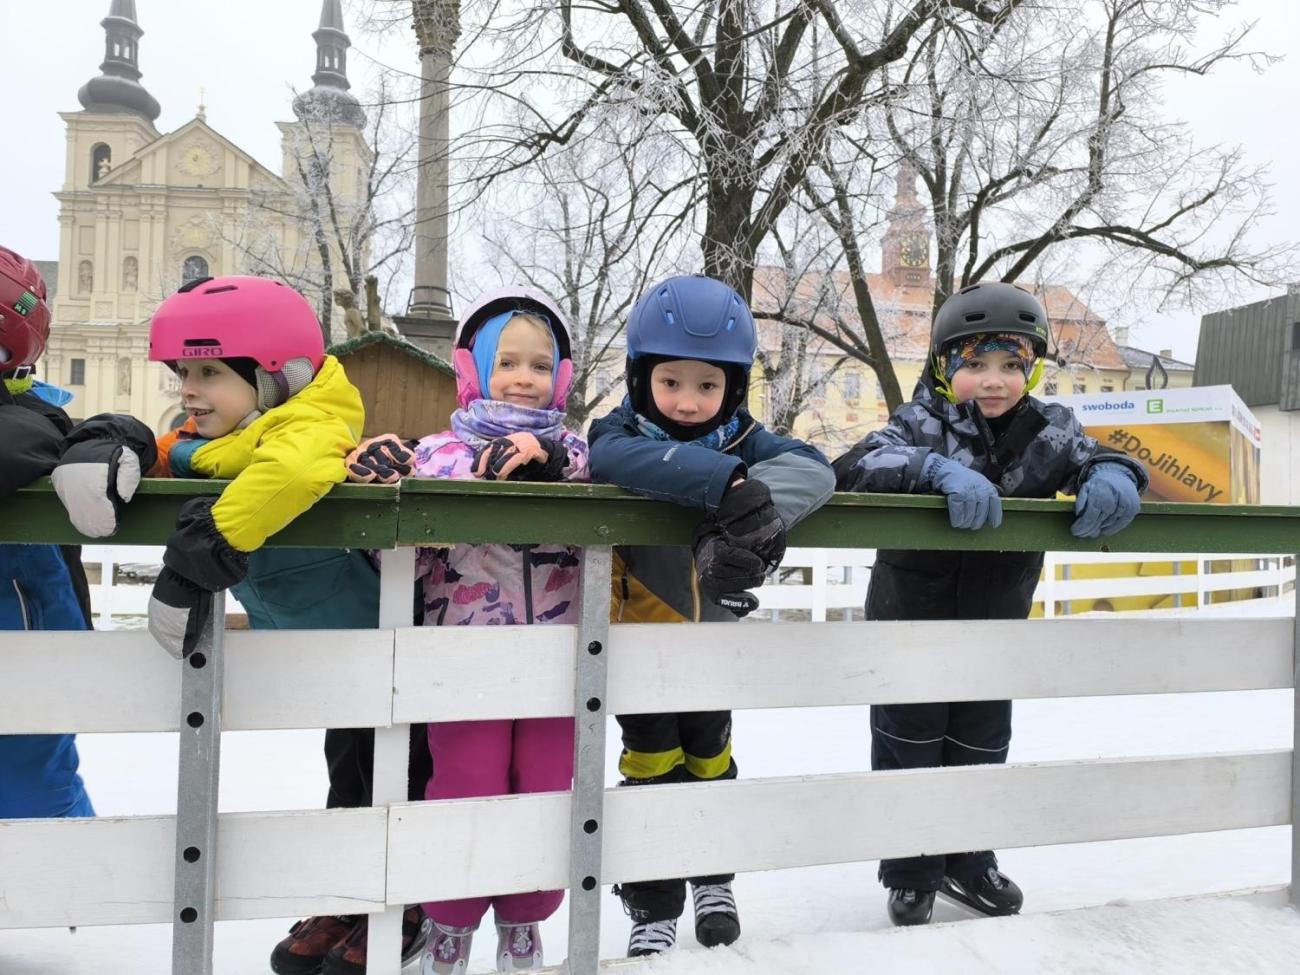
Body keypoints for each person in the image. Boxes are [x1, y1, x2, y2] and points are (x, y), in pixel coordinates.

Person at [47, 274, 432, 974]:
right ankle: (345, 898)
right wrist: (115, 438)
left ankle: (404, 905)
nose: (190, 389)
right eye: (184, 372)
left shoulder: (309, 425)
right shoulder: (218, 439)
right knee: (346, 780)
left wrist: (202, 551)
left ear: (276, 377)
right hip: (325, 659)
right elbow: (171, 451)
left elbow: (291, 470)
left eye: (211, 373)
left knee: (393, 781)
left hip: (387, 654)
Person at [833, 281, 1148, 927]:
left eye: (1011, 364)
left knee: (981, 743)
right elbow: (857, 464)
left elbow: (1097, 455)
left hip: (994, 626)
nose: (995, 380)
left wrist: (1114, 474)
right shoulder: (919, 422)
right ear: (946, 368)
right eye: (975, 364)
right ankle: (912, 869)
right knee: (909, 741)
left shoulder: (1048, 431)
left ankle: (968, 860)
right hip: (911, 620)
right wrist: (932, 469)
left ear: (1031, 368)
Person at [586, 274, 836, 957]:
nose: (690, 402)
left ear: (733, 386)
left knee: (710, 757)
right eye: (672, 382)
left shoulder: (745, 438)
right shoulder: (620, 430)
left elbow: (815, 471)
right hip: (641, 640)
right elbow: (608, 456)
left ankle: (712, 876)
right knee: (649, 763)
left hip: (713, 644)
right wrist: (723, 484)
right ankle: (653, 898)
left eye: (708, 385)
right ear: (642, 379)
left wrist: (743, 519)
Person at [347, 288, 589, 975]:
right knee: (466, 781)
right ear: (473, 369)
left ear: (561, 377)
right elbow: (400, 549)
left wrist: (548, 464)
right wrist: (387, 482)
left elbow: (596, 473)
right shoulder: (439, 453)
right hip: (465, 658)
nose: (524, 376)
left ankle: (524, 924)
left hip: (558, 657)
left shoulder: (576, 451)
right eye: (506, 361)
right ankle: (449, 925)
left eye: (540, 365)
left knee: (544, 785)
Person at [0, 244, 96, 822]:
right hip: (34, 633)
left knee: (39, 792)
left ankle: (73, 896)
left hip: (30, 643)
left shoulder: (31, 416)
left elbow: (19, 443)